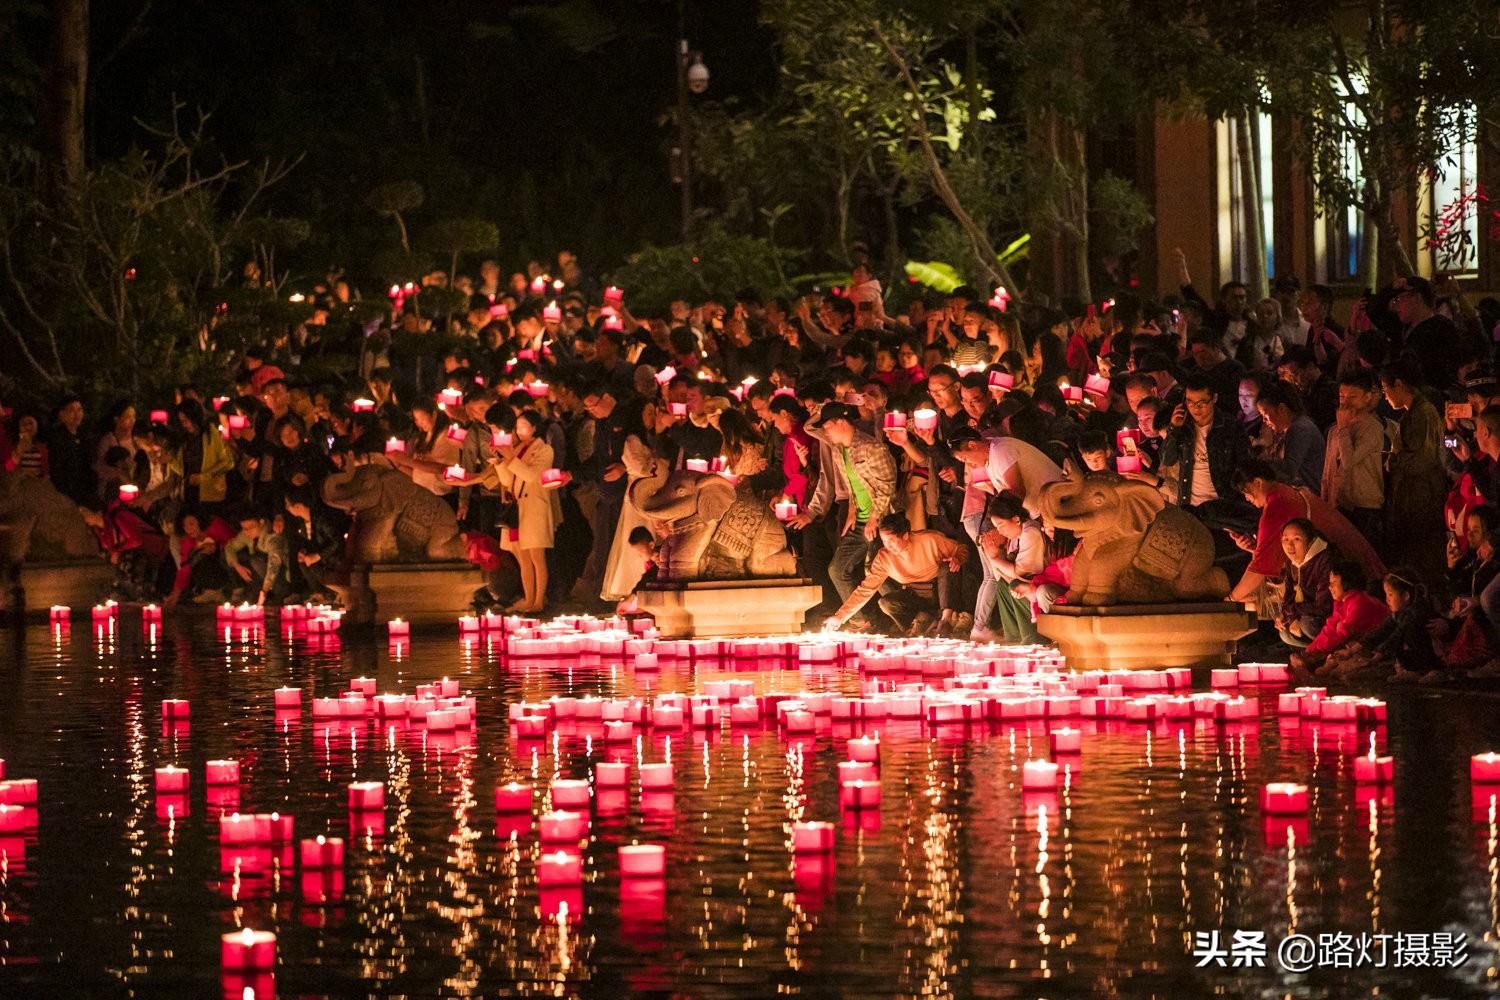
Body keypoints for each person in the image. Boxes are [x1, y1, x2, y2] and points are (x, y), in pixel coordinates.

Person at [792, 401, 898, 627]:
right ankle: (863, 620)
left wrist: (874, 518)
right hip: (859, 518)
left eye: (828, 426)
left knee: (880, 572)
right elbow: (853, 486)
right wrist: (852, 510)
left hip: (882, 520)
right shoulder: (840, 451)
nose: (826, 431)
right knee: (837, 569)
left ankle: (900, 617)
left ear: (841, 422)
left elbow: (887, 486)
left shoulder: (872, 448)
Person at [1226, 459, 1384, 605]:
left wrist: (1232, 598)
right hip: (1363, 568)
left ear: (1258, 482)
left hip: (1352, 580)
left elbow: (1260, 568)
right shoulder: (1287, 491)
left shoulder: (1277, 507)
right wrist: (1256, 548)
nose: (1247, 498)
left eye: (1246, 492)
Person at [824, 512, 970, 637]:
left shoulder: (930, 540)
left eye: (891, 541)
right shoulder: (884, 557)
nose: (888, 546)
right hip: (914, 596)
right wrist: (840, 617)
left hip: (940, 591)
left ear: (905, 536)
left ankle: (945, 622)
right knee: (886, 603)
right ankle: (919, 625)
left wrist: (957, 559)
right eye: (884, 541)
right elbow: (866, 589)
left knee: (947, 568)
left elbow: (961, 549)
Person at [1379, 359, 1447, 585]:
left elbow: (1423, 459)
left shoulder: (1423, 413)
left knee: (1421, 562)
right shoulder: (1414, 413)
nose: (1385, 396)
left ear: (1398, 385)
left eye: (1385, 389)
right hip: (1411, 499)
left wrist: (1393, 461)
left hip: (1421, 499)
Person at [488, 409, 562, 613]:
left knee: (537, 557)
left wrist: (510, 456)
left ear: (534, 428)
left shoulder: (545, 450)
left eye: (523, 427)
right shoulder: (519, 449)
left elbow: (532, 476)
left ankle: (539, 600)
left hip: (535, 506)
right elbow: (508, 480)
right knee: (524, 559)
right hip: (519, 507)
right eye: (517, 427)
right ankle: (529, 599)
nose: (519, 432)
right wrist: (500, 464)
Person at [1321, 370, 1387, 548]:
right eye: (1342, 396)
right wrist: (1325, 500)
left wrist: (1343, 428)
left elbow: (1348, 462)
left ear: (1367, 397)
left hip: (1364, 507)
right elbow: (1328, 470)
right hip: (1339, 504)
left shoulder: (1372, 427)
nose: (1345, 401)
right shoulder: (1335, 429)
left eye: (1352, 396)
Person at [1291, 560, 1389, 678]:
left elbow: (1343, 634)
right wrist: (1310, 650)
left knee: (1335, 659)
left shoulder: (1359, 602)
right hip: (1355, 644)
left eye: (1334, 582)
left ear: (1347, 582)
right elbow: (1330, 629)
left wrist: (1314, 654)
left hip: (1375, 645)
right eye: (1329, 582)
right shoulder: (1341, 602)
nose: (1330, 587)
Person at [980, 492, 1047, 644]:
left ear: (1016, 519)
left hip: (1040, 587)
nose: (1000, 531)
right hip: (1029, 584)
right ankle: (1014, 636)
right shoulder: (1016, 537)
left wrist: (994, 558)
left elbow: (1020, 572)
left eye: (1001, 525)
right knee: (1003, 586)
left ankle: (1033, 637)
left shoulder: (1030, 532)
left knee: (1015, 585)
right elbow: (1003, 575)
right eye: (997, 527)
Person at [1274, 518, 1333, 648]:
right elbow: (1289, 594)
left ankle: (1332, 649)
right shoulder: (1292, 563)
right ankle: (1316, 652)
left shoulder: (1323, 560)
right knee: (1285, 633)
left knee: (1308, 625)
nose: (1289, 545)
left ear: (1310, 541)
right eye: (1285, 539)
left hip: (1324, 616)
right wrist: (1286, 616)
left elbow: (1324, 606)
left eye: (1296, 539)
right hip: (1303, 613)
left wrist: (1293, 614)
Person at [1256, 380, 1324, 488]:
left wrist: (1263, 460)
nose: (1264, 420)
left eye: (1265, 414)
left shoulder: (1299, 428)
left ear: (1282, 409)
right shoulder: (1286, 430)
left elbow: (1289, 470)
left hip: (1308, 495)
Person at [224, 510, 291, 606]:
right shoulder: (246, 534)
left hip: (282, 578)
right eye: (244, 528)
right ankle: (252, 591)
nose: (247, 532)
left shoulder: (273, 536)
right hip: (263, 576)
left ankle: (279, 594)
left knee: (256, 560)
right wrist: (237, 566)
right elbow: (230, 547)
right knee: (238, 558)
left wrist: (264, 591)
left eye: (251, 527)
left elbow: (274, 566)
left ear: (261, 522)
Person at [45, 395, 94, 505]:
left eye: (79, 410)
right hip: (68, 490)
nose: (77, 415)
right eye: (72, 410)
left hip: (84, 488)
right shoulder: (57, 438)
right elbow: (57, 471)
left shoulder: (84, 435)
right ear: (62, 414)